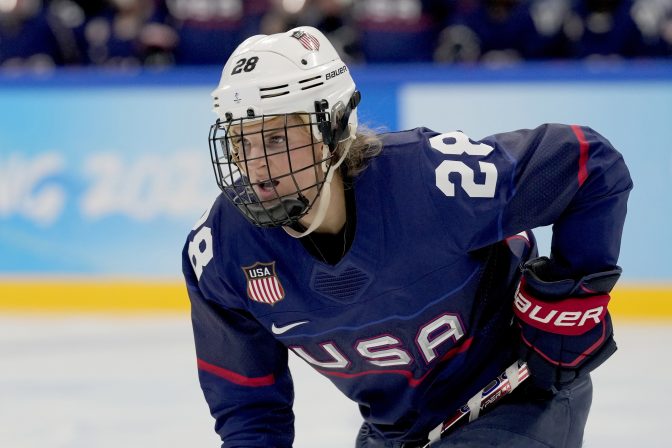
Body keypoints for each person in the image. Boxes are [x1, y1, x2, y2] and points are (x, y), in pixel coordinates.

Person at [182, 26, 632, 447]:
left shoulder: (431, 182)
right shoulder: (221, 251)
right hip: (397, 433)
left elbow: (590, 162)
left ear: (334, 129)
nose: (256, 165)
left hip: (520, 402)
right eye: (241, 143)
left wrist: (567, 305)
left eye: (276, 140)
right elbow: (250, 409)